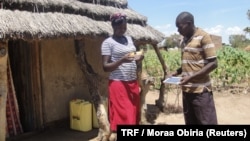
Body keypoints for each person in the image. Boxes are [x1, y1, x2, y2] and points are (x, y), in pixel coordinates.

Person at [101, 13, 144, 139]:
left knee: (133, 113)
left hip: (132, 83)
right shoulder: (107, 43)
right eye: (119, 28)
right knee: (123, 115)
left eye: (124, 27)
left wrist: (139, 57)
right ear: (113, 26)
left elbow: (134, 56)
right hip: (118, 84)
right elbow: (105, 67)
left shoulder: (129, 39)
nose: (122, 30)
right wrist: (122, 60)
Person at [171, 11, 218, 124]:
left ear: (189, 23)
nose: (178, 30)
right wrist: (176, 72)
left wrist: (190, 78)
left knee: (206, 122)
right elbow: (188, 63)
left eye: (180, 27)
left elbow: (213, 63)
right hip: (187, 91)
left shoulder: (204, 37)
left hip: (200, 92)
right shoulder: (184, 41)